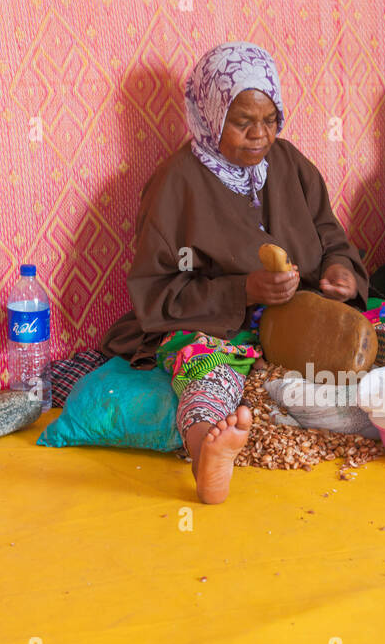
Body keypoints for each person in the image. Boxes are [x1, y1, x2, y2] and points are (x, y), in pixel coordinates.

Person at [97, 42, 368, 503]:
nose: (260, 135)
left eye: (270, 119)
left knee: (381, 346)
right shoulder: (175, 185)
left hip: (298, 321)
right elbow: (158, 289)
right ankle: (206, 450)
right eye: (242, 123)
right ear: (210, 114)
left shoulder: (289, 164)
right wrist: (242, 290)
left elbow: (329, 233)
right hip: (217, 329)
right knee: (208, 371)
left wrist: (341, 269)